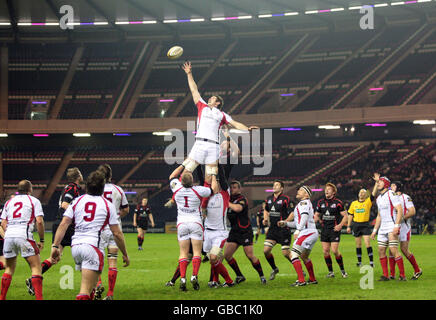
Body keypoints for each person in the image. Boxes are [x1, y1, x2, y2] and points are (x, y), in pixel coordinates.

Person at [180, 61, 258, 213]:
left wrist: (247, 129)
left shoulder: (222, 115)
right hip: (199, 144)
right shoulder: (202, 106)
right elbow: (194, 90)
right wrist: (189, 74)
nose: (209, 98)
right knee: (185, 173)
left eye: (213, 98)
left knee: (209, 179)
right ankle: (184, 201)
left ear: (218, 103)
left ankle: (204, 208)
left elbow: (235, 124)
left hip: (213, 146)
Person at [50, 171, 129, 300]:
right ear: (102, 187)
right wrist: (125, 253)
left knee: (91, 288)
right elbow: (117, 233)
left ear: (87, 186)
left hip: (76, 247)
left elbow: (64, 224)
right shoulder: (107, 205)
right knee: (85, 291)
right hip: (92, 247)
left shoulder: (77, 201)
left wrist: (55, 245)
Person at [26, 167, 83, 295]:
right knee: (84, 254)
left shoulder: (72, 188)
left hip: (63, 225)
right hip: (67, 225)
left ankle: (33, 279)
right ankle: (92, 288)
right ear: (78, 176)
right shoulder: (72, 188)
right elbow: (64, 205)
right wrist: (79, 213)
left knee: (55, 257)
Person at [169, 165, 218, 291]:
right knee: (196, 252)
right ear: (192, 181)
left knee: (183, 253)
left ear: (182, 181)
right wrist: (213, 175)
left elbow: (172, 176)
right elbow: (214, 189)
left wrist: (184, 165)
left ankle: (183, 278)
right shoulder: (199, 190)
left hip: (182, 224)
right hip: (196, 223)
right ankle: (194, 276)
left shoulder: (177, 189)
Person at [0, 180, 45, 300]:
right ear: (30, 190)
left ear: (18, 190)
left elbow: (3, 222)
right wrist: (42, 240)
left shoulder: (9, 202)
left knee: (9, 268)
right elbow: (39, 221)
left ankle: (2, 298)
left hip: (9, 236)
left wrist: (10, 232)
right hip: (23, 235)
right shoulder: (33, 201)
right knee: (36, 267)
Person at [96, 164, 129, 300]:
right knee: (112, 261)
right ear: (110, 176)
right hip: (114, 227)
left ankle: (98, 284)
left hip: (98, 228)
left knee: (96, 260)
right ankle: (110, 294)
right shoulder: (118, 189)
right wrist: (115, 216)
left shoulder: (95, 189)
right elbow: (126, 209)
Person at [224, 181, 266, 285]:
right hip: (234, 231)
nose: (232, 189)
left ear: (239, 189)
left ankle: (262, 276)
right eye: (231, 187)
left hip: (245, 231)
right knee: (227, 256)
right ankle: (239, 276)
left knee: (250, 255)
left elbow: (238, 208)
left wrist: (226, 202)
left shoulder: (242, 199)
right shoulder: (228, 199)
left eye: (235, 187)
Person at [278, 186, 318, 287]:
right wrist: (286, 223)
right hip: (312, 232)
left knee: (293, 255)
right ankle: (312, 279)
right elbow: (299, 222)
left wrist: (298, 231)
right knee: (304, 257)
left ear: (306, 195)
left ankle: (301, 280)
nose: (298, 191)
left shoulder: (303, 203)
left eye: (301, 190)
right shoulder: (303, 204)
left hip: (306, 232)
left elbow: (304, 217)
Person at [203, 165, 234, 288]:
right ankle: (215, 281)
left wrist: (218, 166)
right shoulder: (207, 195)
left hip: (220, 233)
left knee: (214, 257)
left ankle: (229, 281)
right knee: (212, 259)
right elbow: (205, 180)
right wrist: (207, 165)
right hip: (207, 232)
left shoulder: (225, 194)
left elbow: (223, 179)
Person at [370, 175, 406, 281]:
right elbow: (379, 216)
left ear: (386, 184)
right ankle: (385, 275)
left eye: (380, 182)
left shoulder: (391, 194)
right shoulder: (379, 198)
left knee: (393, 249)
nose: (378, 183)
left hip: (391, 225)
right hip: (382, 227)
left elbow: (399, 210)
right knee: (381, 250)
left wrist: (396, 225)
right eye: (378, 182)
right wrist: (374, 231)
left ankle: (402, 275)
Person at [314, 183, 348, 278]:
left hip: (334, 230)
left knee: (334, 251)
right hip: (324, 230)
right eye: (326, 189)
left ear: (333, 192)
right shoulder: (321, 202)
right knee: (325, 251)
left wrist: (340, 225)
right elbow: (316, 214)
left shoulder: (338, 203)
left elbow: (345, 216)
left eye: (329, 189)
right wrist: (316, 219)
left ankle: (343, 271)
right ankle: (331, 272)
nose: (326, 190)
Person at [390, 181, 422, 280]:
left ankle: (417, 270)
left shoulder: (405, 197)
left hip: (404, 227)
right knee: (392, 250)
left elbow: (412, 211)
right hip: (394, 226)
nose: (391, 187)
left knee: (404, 250)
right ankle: (392, 274)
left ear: (398, 187)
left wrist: (401, 217)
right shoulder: (391, 197)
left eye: (393, 185)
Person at [262, 180, 293, 280]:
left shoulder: (286, 199)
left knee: (286, 253)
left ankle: (299, 269)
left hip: (284, 230)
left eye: (277, 185)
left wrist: (285, 221)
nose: (274, 186)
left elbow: (292, 213)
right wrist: (265, 218)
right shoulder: (269, 199)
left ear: (282, 188)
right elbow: (266, 209)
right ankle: (274, 268)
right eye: (274, 185)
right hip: (273, 230)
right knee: (266, 250)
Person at [346, 184, 377, 268]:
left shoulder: (368, 202)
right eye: (360, 192)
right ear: (358, 194)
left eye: (363, 192)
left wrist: (376, 184)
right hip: (356, 225)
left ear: (366, 195)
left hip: (365, 225)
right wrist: (348, 226)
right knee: (358, 244)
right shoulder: (354, 203)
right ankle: (359, 262)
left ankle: (371, 262)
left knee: (367, 243)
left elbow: (373, 194)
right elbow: (350, 215)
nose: (361, 193)